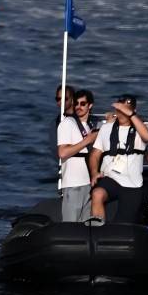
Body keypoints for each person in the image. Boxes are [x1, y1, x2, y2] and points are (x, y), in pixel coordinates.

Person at [87, 93, 148, 225]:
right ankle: (97, 229)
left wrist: (131, 115)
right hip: (111, 178)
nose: (121, 113)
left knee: (123, 224)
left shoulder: (141, 129)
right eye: (119, 110)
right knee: (97, 193)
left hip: (132, 184)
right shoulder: (106, 128)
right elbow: (95, 154)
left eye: (125, 110)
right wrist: (94, 172)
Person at [55, 88, 100, 224]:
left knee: (85, 225)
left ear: (90, 105)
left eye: (83, 103)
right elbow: (62, 153)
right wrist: (88, 140)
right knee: (70, 224)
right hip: (73, 183)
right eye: (76, 104)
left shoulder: (90, 126)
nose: (78, 107)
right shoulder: (68, 123)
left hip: (88, 183)